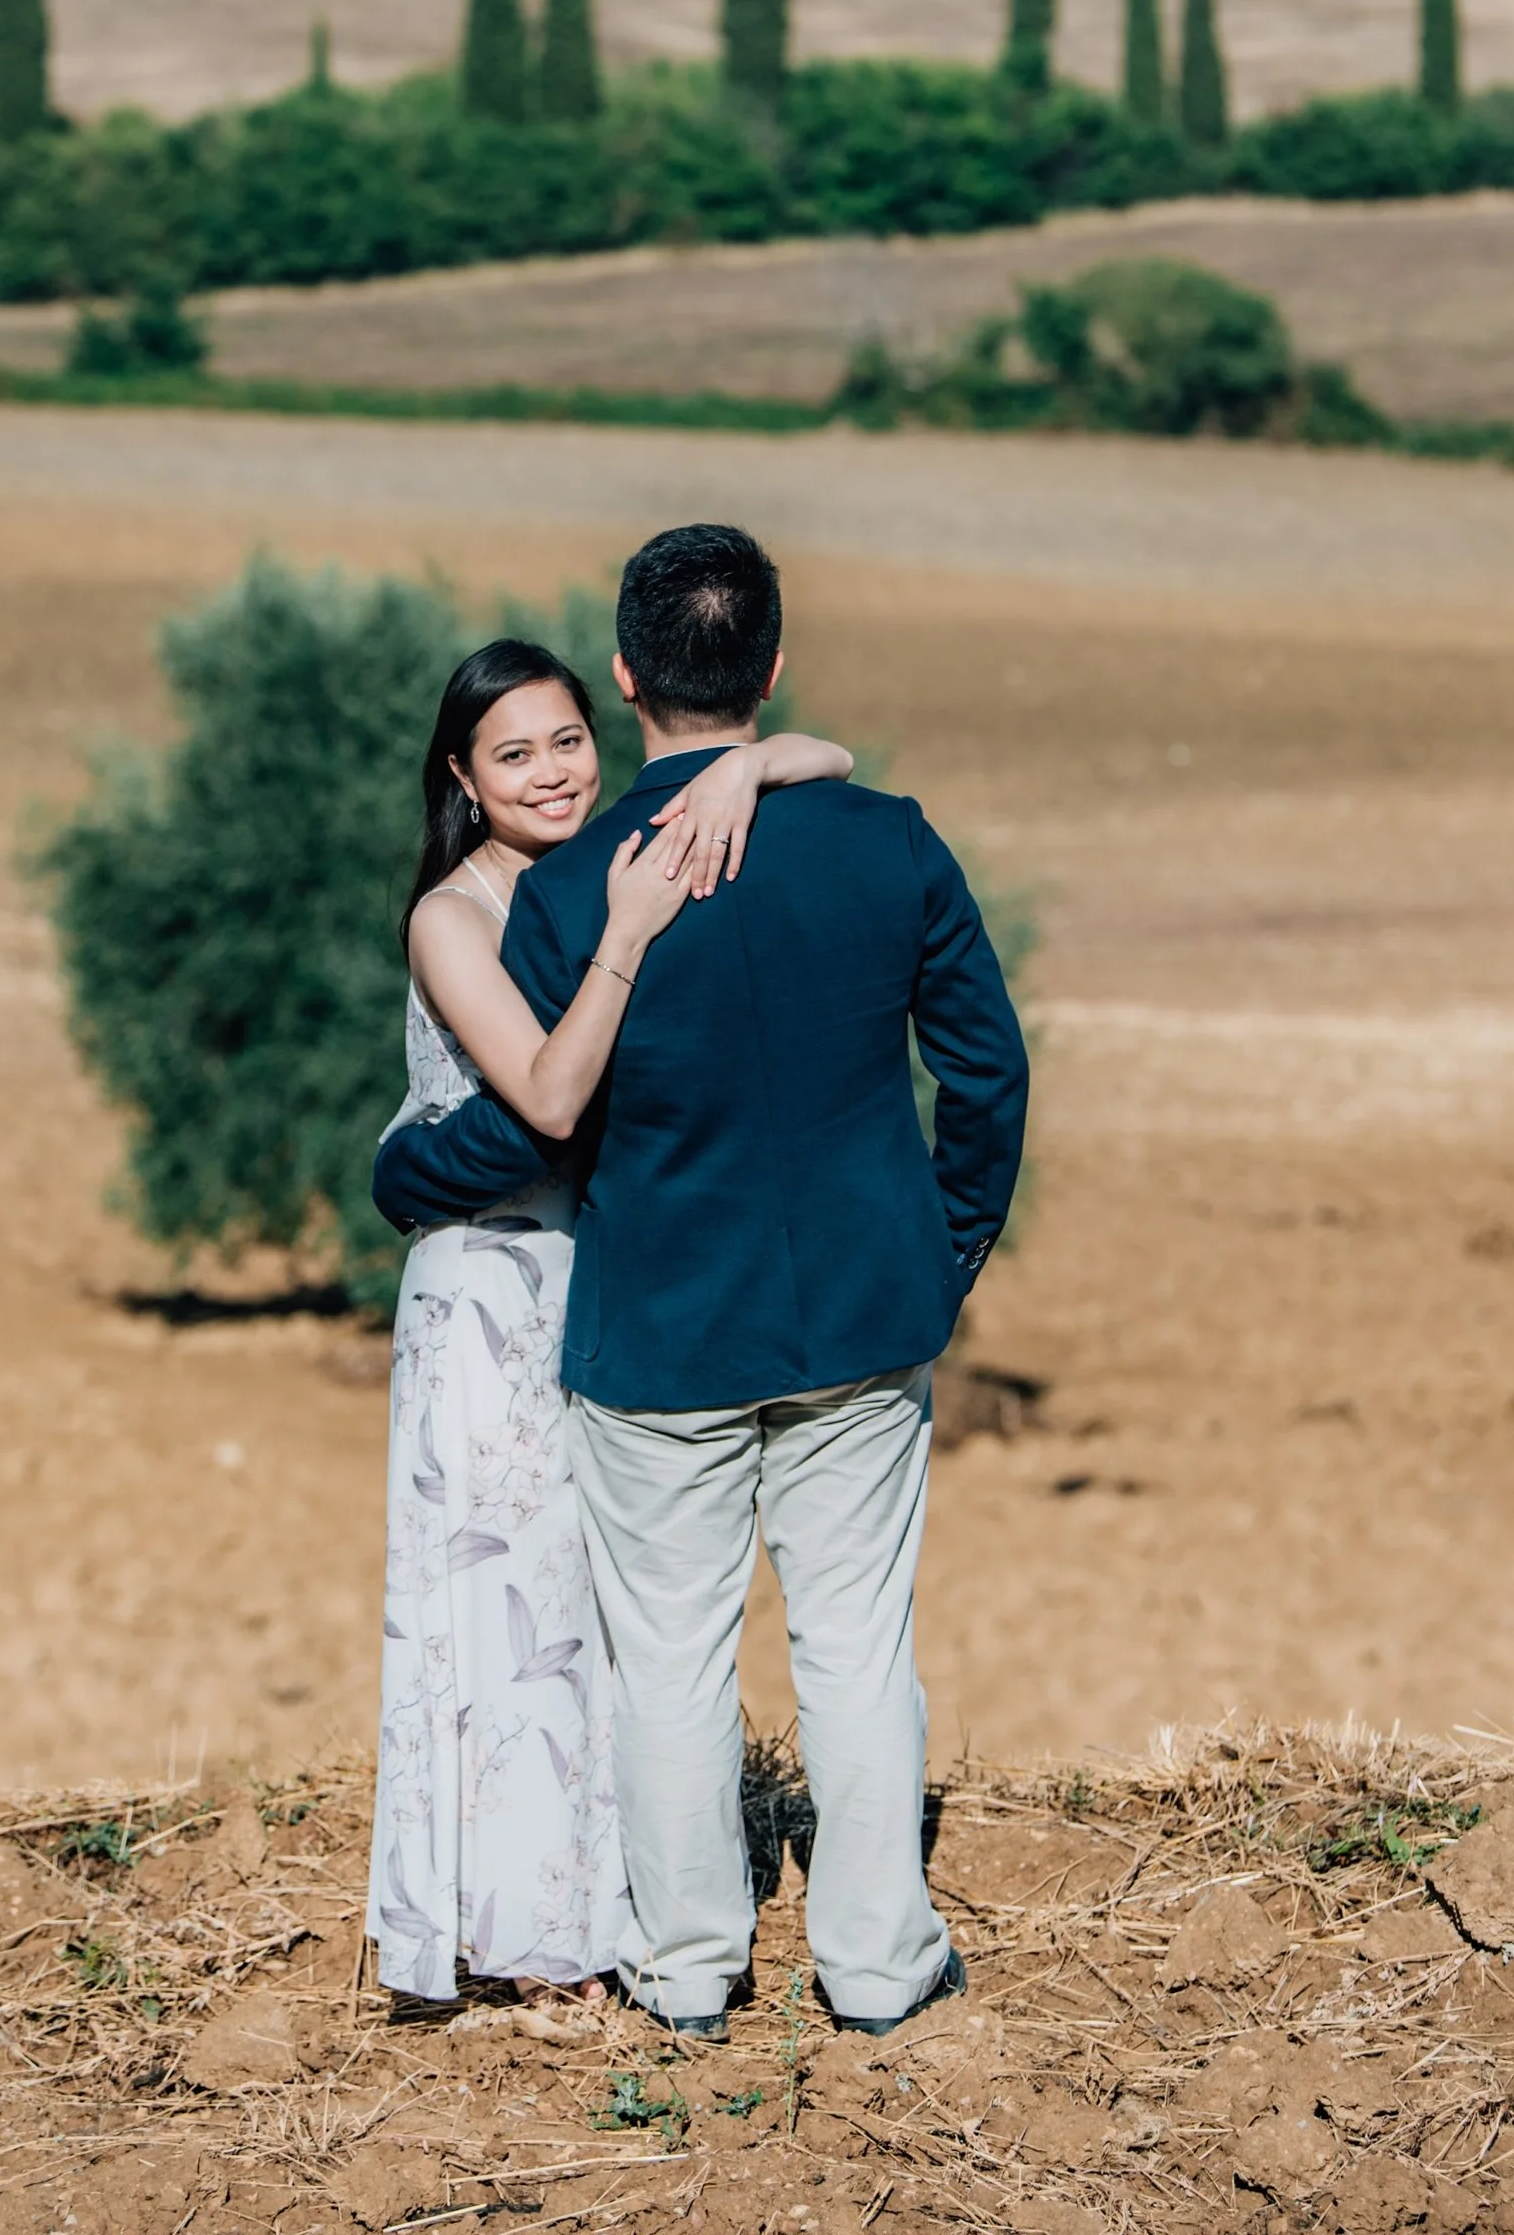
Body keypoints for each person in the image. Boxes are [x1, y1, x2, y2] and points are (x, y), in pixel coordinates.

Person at [374, 525, 1030, 2045]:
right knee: (858, 1643)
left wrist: (402, 1183)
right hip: (866, 1316)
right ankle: (875, 1966)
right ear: (775, 666)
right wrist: (944, 1254)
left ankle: (686, 1971)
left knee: (668, 1662)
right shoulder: (891, 841)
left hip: (661, 1331)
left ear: (621, 680)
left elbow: (539, 1111)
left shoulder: (567, 897)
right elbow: (986, 1075)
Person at [366, 636, 854, 2017]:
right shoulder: (452, 918)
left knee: (590, 1608)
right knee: (503, 1612)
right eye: (511, 753)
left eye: (568, 739)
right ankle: (518, 1941)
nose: (550, 773)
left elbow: (840, 761)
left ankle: (600, 1907)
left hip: (595, 1276)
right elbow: (552, 1098)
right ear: (462, 777)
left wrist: (747, 764)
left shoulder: (621, 847)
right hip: (488, 1295)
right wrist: (631, 933)